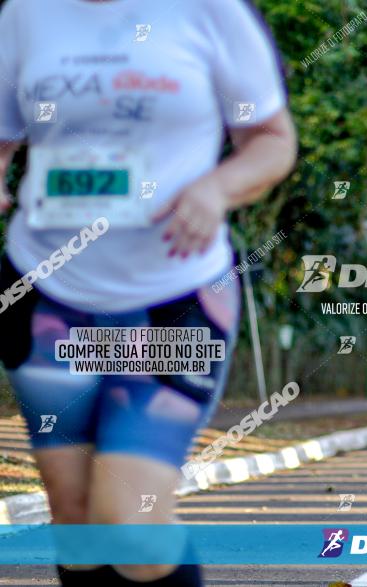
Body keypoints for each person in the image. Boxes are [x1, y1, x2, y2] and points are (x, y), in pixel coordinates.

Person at [0, 1, 296, 585]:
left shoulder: (210, 12)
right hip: (48, 294)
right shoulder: (26, 13)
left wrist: (217, 188)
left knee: (130, 524)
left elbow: (271, 139)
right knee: (78, 523)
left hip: (171, 302)